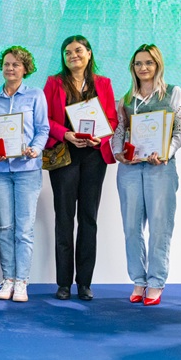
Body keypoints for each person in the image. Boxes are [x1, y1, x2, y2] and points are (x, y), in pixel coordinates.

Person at [112, 44, 181, 306]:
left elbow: (180, 130)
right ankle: (138, 280)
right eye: (138, 63)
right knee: (131, 227)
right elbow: (120, 130)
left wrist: (167, 152)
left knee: (159, 227)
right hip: (130, 168)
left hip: (160, 168)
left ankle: (156, 281)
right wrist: (117, 152)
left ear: (158, 65)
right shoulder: (126, 99)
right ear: (132, 67)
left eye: (148, 62)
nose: (143, 68)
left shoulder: (173, 92)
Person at [44, 35, 117, 301]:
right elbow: (45, 118)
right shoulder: (54, 82)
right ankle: (63, 283)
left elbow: (112, 118)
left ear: (89, 53)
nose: (73, 55)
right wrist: (65, 134)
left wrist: (102, 137)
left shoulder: (103, 83)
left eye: (78, 50)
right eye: (67, 52)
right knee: (64, 218)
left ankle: (84, 283)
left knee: (88, 219)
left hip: (94, 156)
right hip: (65, 154)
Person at [0, 46, 49, 303]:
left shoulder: (35, 95)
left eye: (16, 64)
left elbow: (43, 129)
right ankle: (8, 279)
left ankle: (22, 281)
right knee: (4, 228)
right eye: (7, 64)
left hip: (27, 170)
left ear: (25, 69)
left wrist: (35, 149)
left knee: (24, 230)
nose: (10, 68)